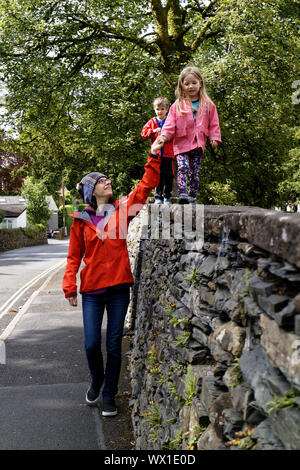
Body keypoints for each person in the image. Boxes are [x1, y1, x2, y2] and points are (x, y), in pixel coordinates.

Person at [62, 145, 161, 416]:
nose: (108, 182)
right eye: (102, 180)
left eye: (108, 179)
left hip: (119, 288)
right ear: (92, 191)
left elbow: (145, 186)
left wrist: (153, 156)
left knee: (114, 345)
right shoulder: (81, 221)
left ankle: (109, 395)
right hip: (92, 290)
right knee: (92, 343)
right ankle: (97, 379)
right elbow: (73, 257)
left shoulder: (123, 209)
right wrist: (69, 285)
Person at [155, 66, 222, 204]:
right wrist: (164, 136)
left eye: (194, 83)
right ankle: (182, 194)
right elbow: (169, 124)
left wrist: (214, 137)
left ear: (200, 83)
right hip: (181, 143)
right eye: (187, 84)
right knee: (183, 167)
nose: (190, 86)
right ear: (182, 86)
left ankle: (192, 196)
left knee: (195, 172)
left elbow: (214, 123)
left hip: (198, 144)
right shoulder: (177, 105)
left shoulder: (209, 105)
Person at [141, 97, 175, 204]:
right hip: (157, 154)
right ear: (154, 109)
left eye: (162, 109)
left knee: (169, 175)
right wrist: (153, 131)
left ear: (167, 109)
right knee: (158, 175)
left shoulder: (170, 121)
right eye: (157, 109)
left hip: (169, 154)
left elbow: (176, 133)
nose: (159, 111)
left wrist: (168, 136)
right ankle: (158, 197)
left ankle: (167, 197)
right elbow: (143, 133)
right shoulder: (152, 122)